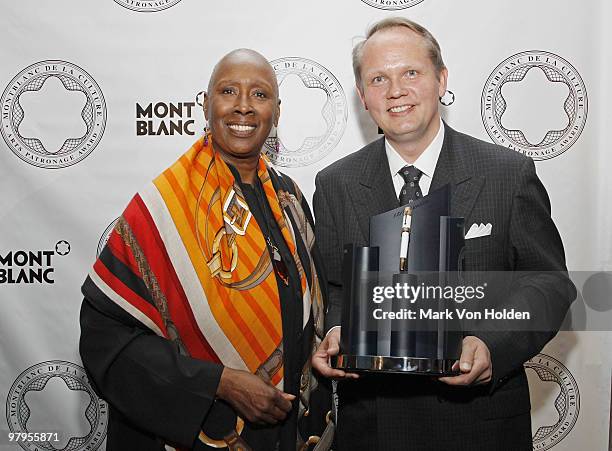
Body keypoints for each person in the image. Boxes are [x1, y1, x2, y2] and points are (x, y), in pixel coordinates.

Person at [311, 17, 575, 450]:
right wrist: (339, 329)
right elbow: (335, 288)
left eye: (410, 73)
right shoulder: (335, 183)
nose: (396, 90)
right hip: (372, 428)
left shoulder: (506, 174)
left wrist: (492, 345)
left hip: (479, 425)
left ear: (441, 79)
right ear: (363, 96)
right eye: (379, 78)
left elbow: (548, 284)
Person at [80, 49, 331, 450]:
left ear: (277, 112)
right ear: (205, 104)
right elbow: (104, 339)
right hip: (199, 432)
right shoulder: (164, 205)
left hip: (284, 432)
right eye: (229, 91)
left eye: (260, 94)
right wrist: (220, 383)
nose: (244, 107)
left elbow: (314, 312)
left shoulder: (290, 199)